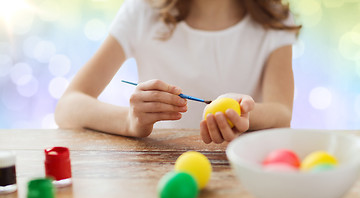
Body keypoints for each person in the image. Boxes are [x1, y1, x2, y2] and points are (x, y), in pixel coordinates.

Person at [55, 0, 301, 144]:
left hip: (242, 175)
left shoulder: (274, 20)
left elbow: (281, 113)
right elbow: (67, 107)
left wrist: (245, 113)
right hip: (155, 177)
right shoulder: (143, 11)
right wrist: (129, 121)